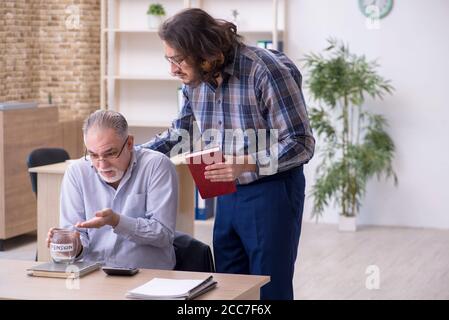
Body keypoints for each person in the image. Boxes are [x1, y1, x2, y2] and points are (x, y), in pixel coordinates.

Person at [142, 8, 315, 299]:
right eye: (168, 59)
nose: (172, 69)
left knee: (270, 288)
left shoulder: (264, 70)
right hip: (227, 192)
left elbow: (300, 142)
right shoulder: (194, 81)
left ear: (206, 53)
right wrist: (128, 154)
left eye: (178, 59)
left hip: (272, 191)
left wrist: (246, 163)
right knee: (228, 287)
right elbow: (180, 134)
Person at [47, 110, 178, 269]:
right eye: (94, 155)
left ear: (129, 143)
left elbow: (163, 234)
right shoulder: (76, 172)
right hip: (95, 275)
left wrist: (117, 221)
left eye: (110, 154)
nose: (102, 166)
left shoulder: (157, 166)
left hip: (148, 275)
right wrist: (72, 245)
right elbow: (77, 235)